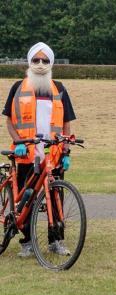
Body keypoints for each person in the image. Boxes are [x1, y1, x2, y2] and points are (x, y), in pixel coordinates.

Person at [2, 42, 75, 257]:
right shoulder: (18, 87)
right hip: (26, 154)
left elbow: (67, 123)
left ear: (51, 63)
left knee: (56, 198)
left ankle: (56, 241)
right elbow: (9, 120)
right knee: (27, 199)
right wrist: (19, 143)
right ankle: (27, 243)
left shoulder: (59, 88)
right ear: (29, 62)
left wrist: (66, 150)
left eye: (45, 60)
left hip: (53, 154)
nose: (40, 64)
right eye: (36, 60)